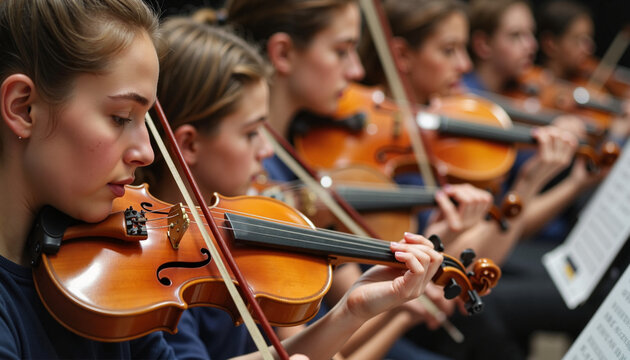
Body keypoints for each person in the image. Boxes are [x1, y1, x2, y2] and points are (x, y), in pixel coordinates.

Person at [137, 12, 444, 360]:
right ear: (189, 145)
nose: (266, 151)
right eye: (252, 133)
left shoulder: (236, 232)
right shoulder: (158, 274)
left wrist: (354, 309)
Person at [0, 0, 176, 358]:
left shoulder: (103, 268)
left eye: (147, 121)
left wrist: (325, 330)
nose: (147, 153)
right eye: (121, 117)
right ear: (23, 108)